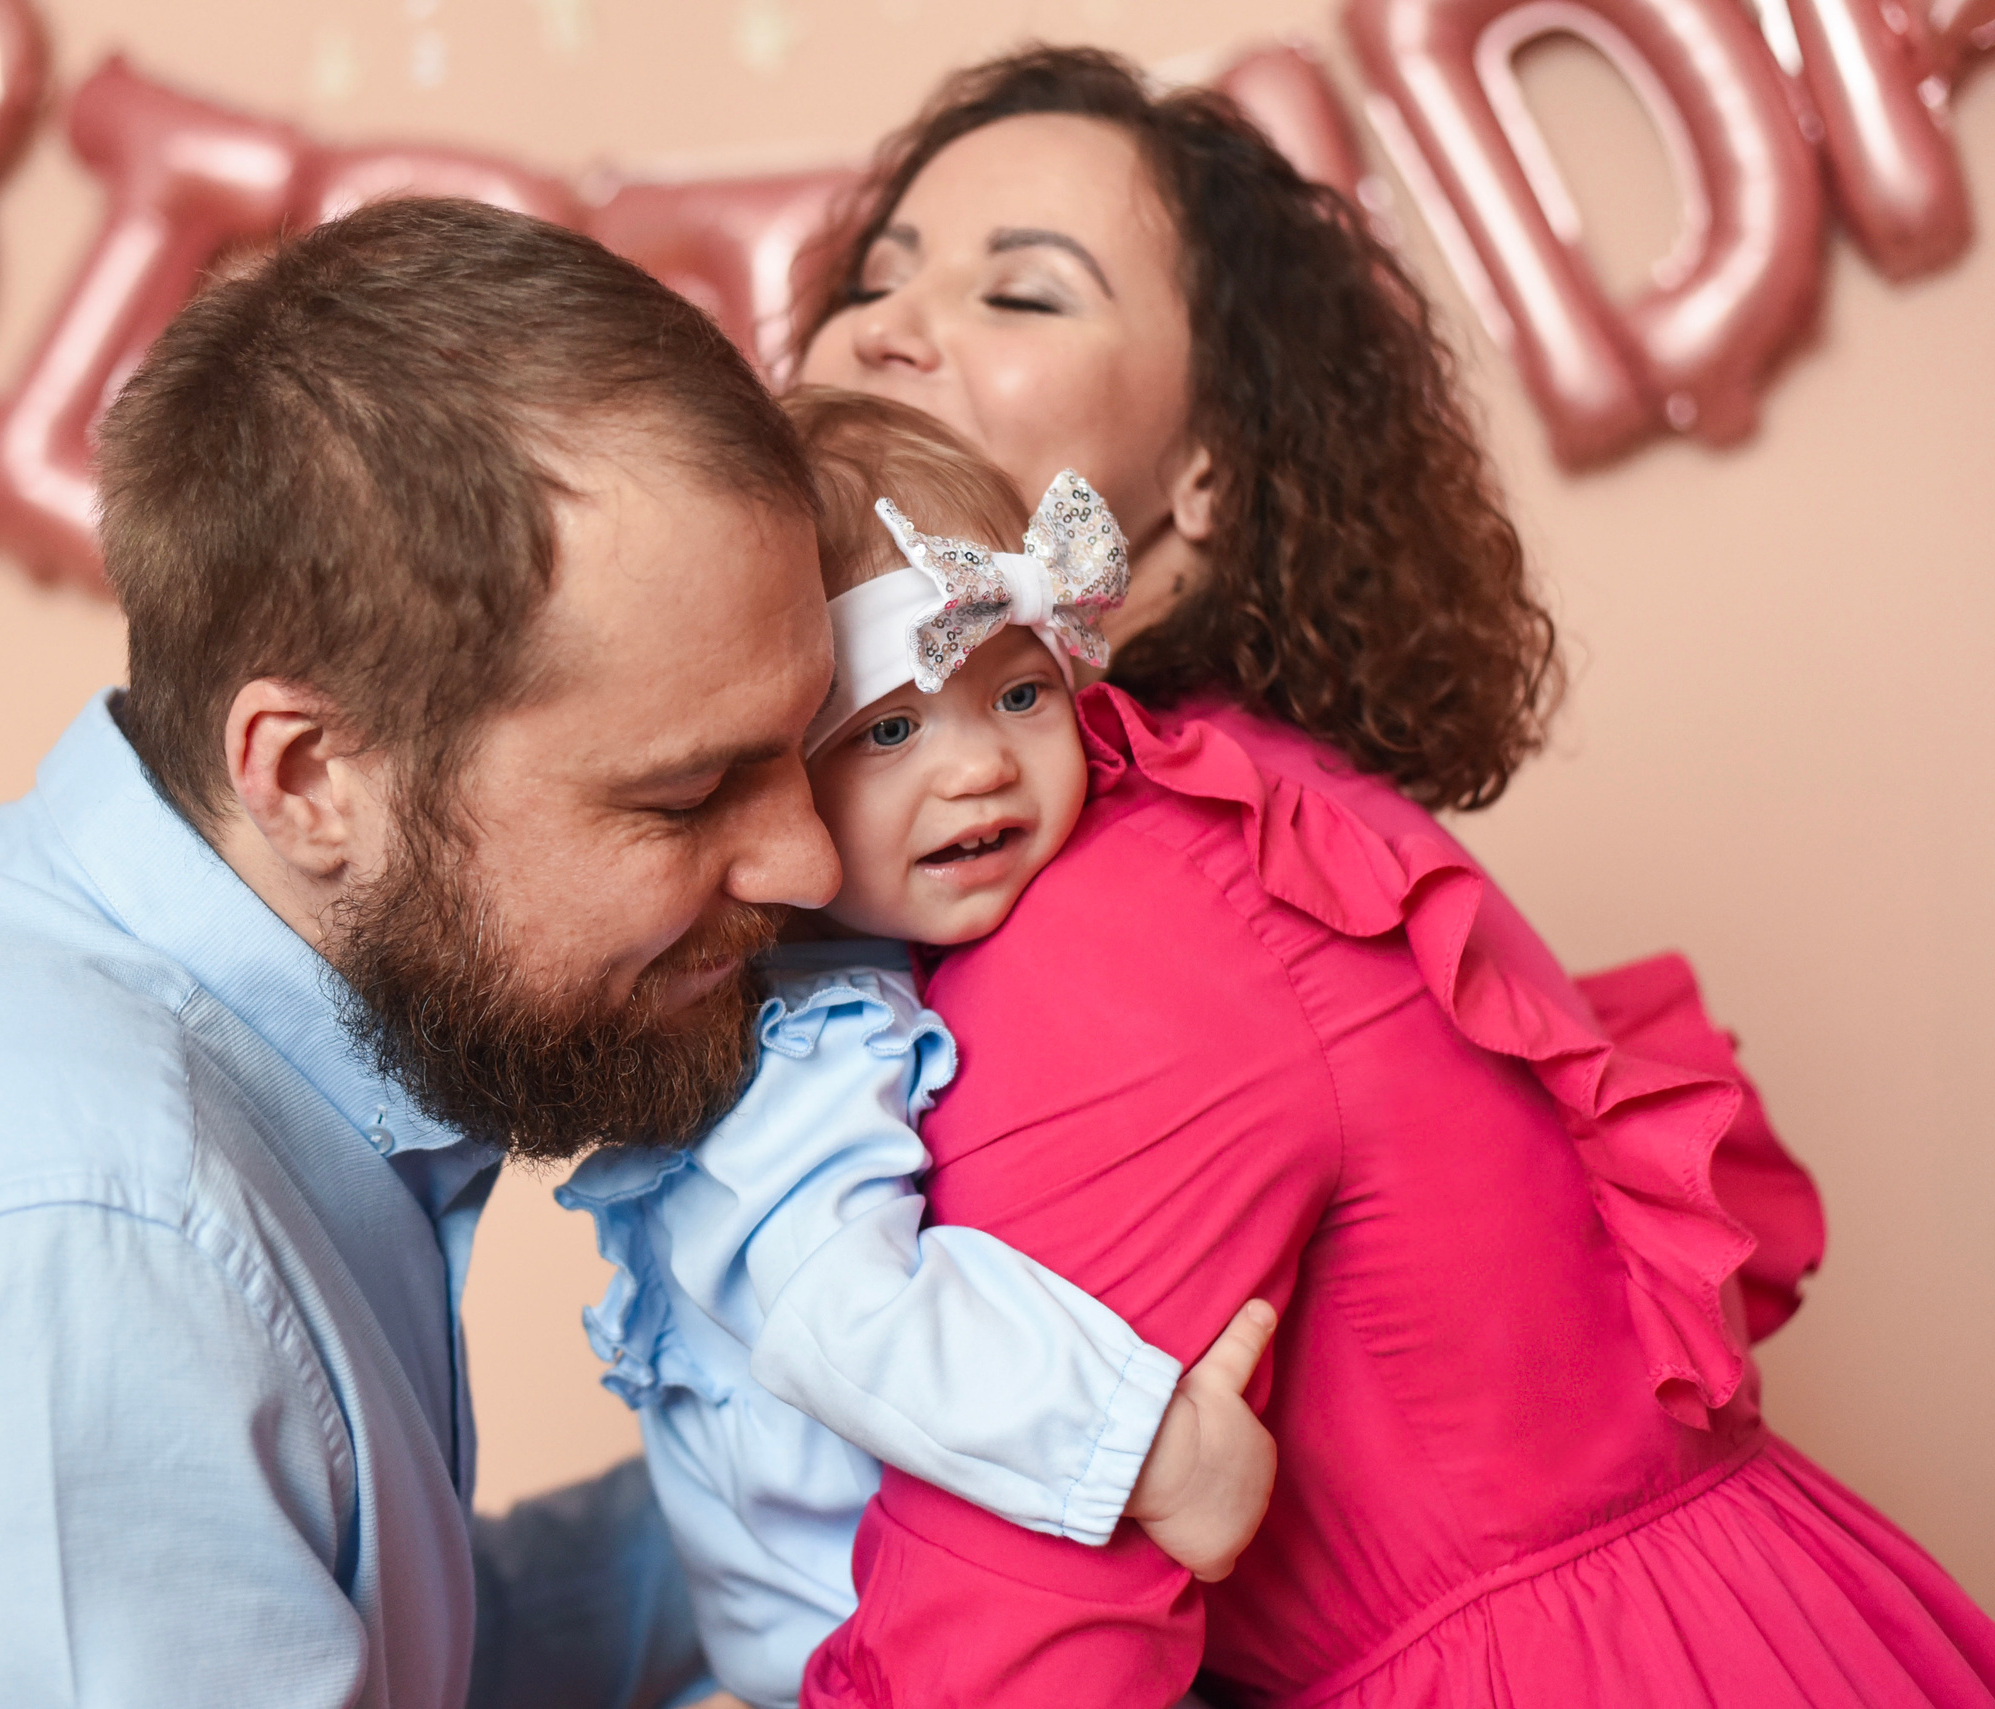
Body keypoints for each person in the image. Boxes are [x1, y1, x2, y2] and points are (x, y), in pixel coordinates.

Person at [790, 45, 1995, 1708]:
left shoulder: (1113, 900)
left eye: (1025, 294)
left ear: (1201, 477)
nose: (887, 328)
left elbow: (1006, 1650)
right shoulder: (1254, 810)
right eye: (875, 277)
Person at [0, 198, 852, 1709]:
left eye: (808, 752)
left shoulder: (211, 1074)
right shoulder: (76, 1259)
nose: (810, 861)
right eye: (688, 791)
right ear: (313, 773)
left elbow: (397, 1660)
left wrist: (861, 1485)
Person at [556, 391, 1277, 1709]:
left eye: (1017, 693)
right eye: (889, 730)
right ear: (765, 782)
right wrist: (1154, 1446)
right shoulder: (808, 1047)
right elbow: (848, 1312)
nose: (980, 770)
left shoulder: (890, 980)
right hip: (878, 1646)